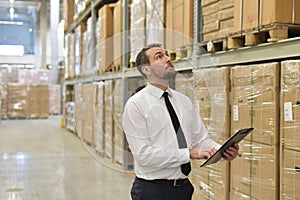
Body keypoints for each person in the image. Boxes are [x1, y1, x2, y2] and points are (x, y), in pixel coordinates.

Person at [122, 43, 239, 200]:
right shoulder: (136, 104)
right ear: (146, 69)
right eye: (159, 56)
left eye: (167, 54)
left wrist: (222, 151)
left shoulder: (183, 101)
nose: (168, 59)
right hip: (152, 191)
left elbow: (200, 140)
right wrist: (189, 153)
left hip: (183, 189)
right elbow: (144, 156)